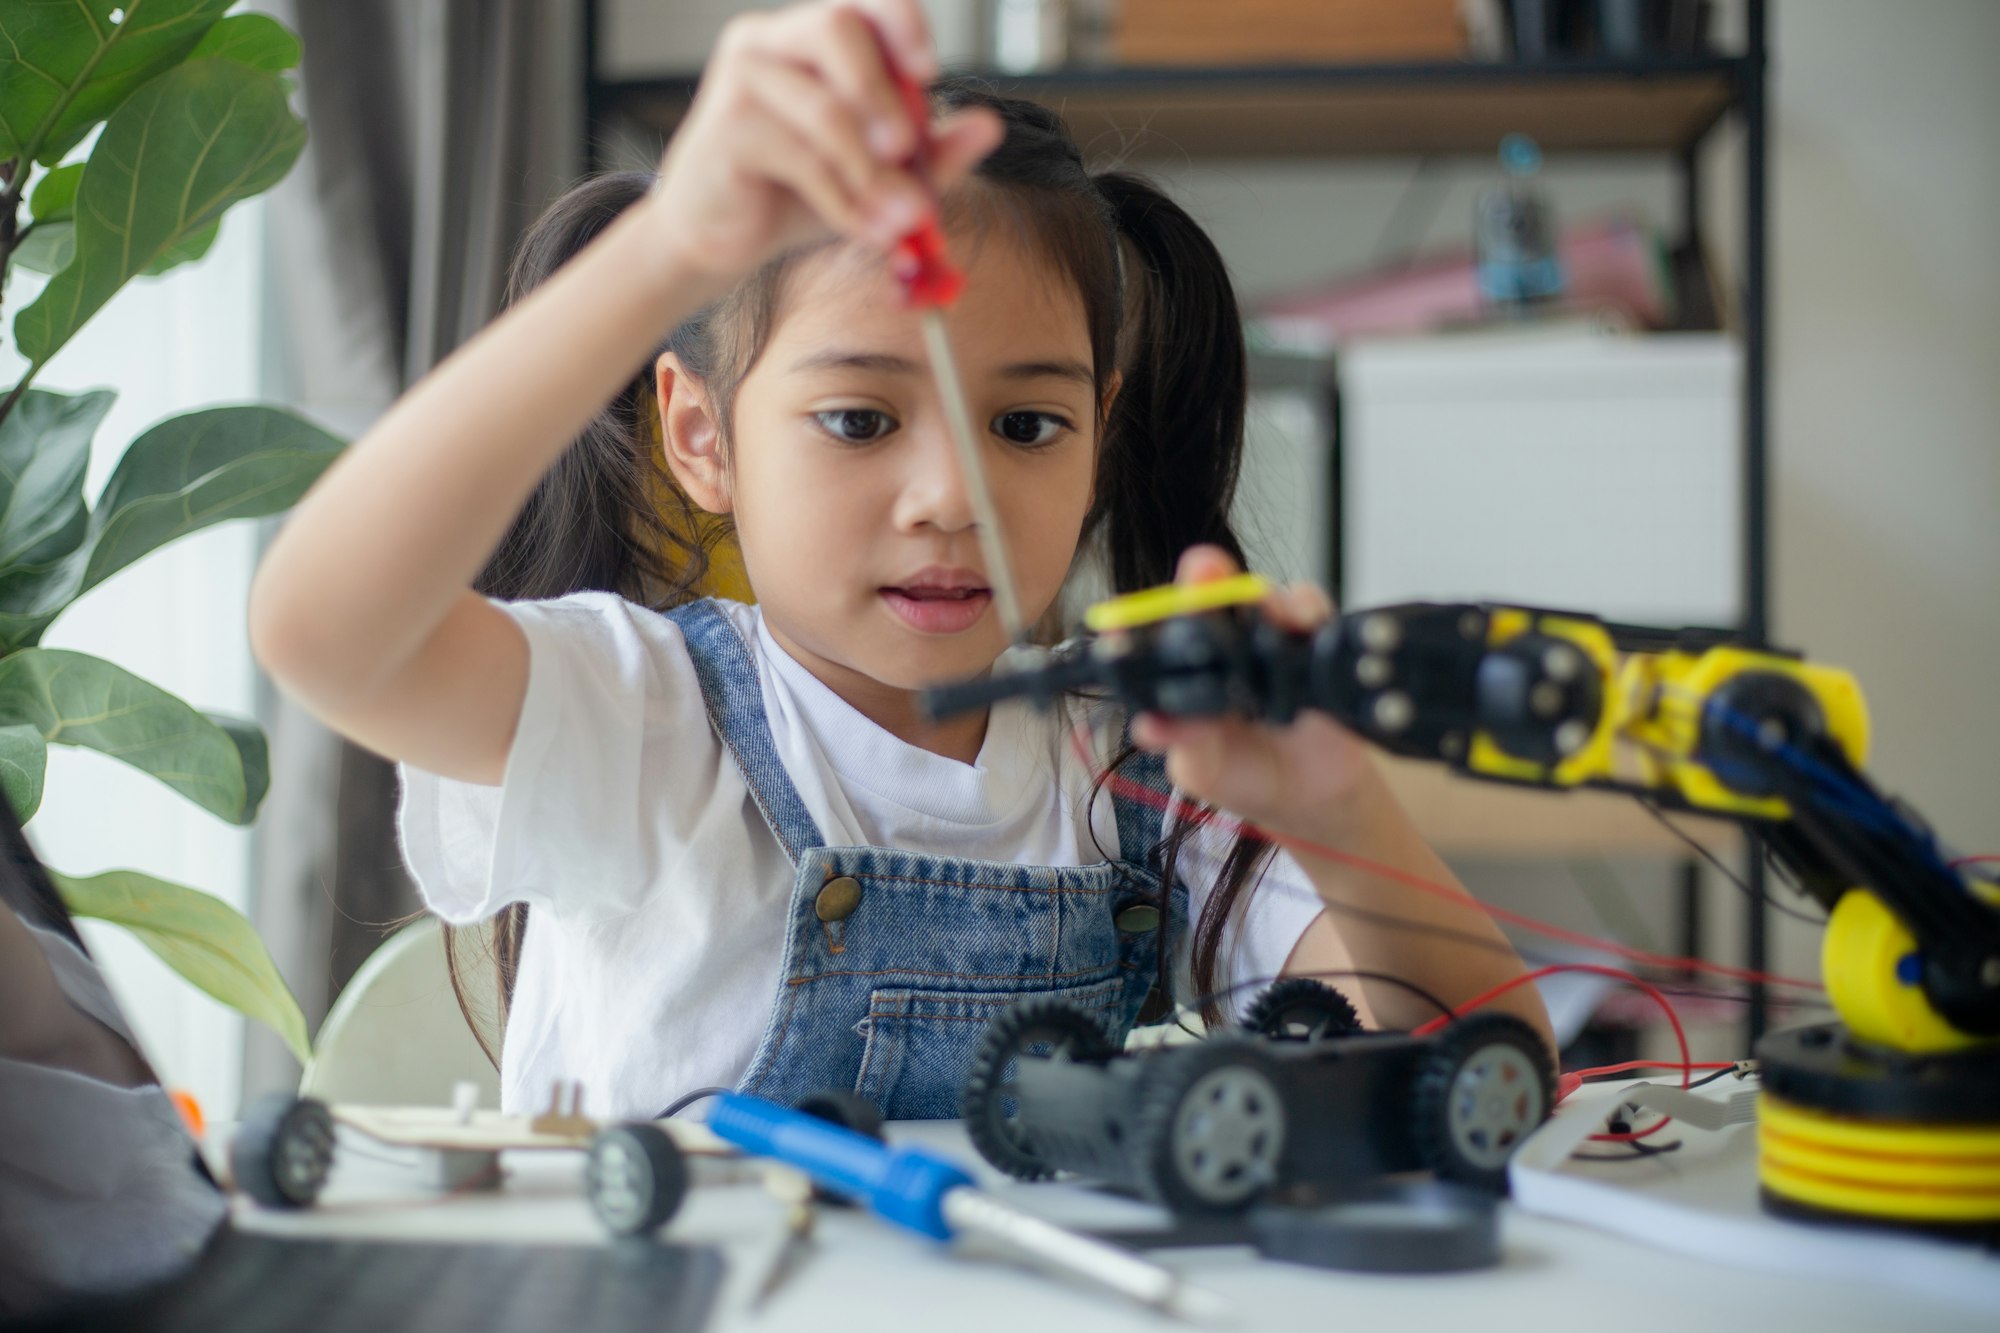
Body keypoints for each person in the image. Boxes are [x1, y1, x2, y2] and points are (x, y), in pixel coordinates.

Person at [249, 0, 1550, 1120]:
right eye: (860, 420)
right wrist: (670, 252)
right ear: (702, 437)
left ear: (1100, 435)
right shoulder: (644, 715)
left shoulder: (1148, 763)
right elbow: (323, 628)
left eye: (1028, 424)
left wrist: (1339, 810)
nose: (947, 497)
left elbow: (1486, 1075)